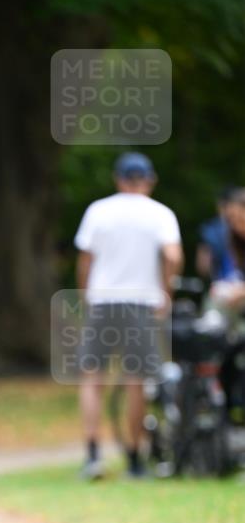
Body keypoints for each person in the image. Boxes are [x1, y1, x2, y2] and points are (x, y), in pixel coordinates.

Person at [75, 152, 183, 479]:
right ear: (150, 180)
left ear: (118, 179)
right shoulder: (160, 213)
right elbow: (173, 256)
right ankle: (135, 460)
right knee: (136, 380)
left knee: (92, 377)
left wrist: (85, 295)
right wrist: (166, 291)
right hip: (141, 302)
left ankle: (93, 455)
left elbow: (85, 259)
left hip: (103, 300)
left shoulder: (99, 210)